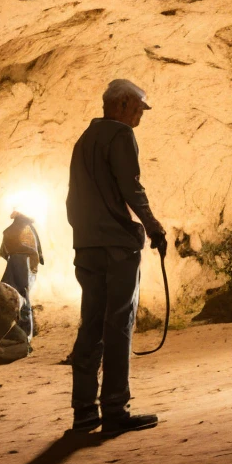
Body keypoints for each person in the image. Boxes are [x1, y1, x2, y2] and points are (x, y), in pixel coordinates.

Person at [65, 79, 166, 435]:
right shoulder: (120, 135)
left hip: (87, 246)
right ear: (122, 103)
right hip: (117, 247)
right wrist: (153, 227)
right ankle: (114, 410)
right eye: (139, 107)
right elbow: (132, 188)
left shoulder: (84, 139)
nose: (141, 115)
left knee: (90, 325)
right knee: (118, 325)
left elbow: (72, 199)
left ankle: (83, 412)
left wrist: (83, 235)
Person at [0, 210, 43, 346]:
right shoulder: (28, 229)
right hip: (24, 265)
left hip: (15, 265)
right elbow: (36, 251)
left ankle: (15, 334)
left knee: (12, 297)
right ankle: (24, 337)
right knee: (23, 298)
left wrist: (12, 257)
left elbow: (2, 252)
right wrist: (33, 255)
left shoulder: (9, 230)